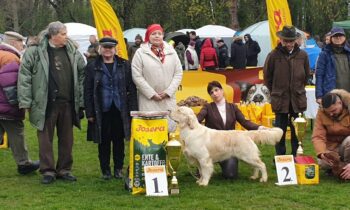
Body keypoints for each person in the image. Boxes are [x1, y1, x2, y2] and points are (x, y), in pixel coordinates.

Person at [18, 21, 86, 184]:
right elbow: (24, 78)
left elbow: (82, 74)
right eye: (63, 34)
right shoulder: (35, 51)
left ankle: (64, 170)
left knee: (67, 139)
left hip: (68, 103)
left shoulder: (73, 51)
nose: (66, 36)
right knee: (44, 139)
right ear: (53, 35)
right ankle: (48, 171)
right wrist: (26, 102)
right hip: (45, 103)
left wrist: (81, 101)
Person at [84, 37, 138, 180]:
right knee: (103, 141)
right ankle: (105, 170)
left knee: (119, 140)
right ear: (100, 49)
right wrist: (89, 112)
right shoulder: (92, 66)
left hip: (121, 109)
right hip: (101, 109)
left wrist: (133, 110)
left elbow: (132, 89)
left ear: (115, 49)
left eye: (110, 48)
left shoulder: (125, 65)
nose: (108, 50)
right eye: (105, 48)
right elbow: (87, 90)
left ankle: (118, 169)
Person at [197, 81, 267, 179]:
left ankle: (258, 169)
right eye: (211, 92)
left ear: (222, 90)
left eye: (216, 90)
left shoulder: (233, 107)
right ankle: (203, 167)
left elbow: (244, 122)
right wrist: (190, 120)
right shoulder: (207, 107)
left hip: (229, 147)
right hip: (211, 148)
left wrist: (259, 127)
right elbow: (198, 119)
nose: (214, 94)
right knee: (202, 170)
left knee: (230, 175)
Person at [263, 25, 310, 157]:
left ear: (295, 40)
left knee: (297, 131)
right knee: (279, 131)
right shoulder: (273, 55)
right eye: (286, 41)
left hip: (297, 98)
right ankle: (281, 157)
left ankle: (296, 156)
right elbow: (267, 77)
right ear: (281, 40)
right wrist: (276, 91)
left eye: (291, 41)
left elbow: (306, 76)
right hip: (280, 99)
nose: (289, 43)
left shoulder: (303, 55)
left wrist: (298, 88)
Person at [0, 31, 39, 175]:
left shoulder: (2, 55)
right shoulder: (10, 57)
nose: (22, 45)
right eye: (20, 43)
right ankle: (24, 164)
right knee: (17, 134)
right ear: (13, 42)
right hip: (6, 106)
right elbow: (10, 84)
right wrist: (18, 103)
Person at [131, 23, 183, 131]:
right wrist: (151, 94)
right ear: (148, 36)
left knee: (169, 131)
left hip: (168, 99)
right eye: (153, 33)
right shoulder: (140, 53)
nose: (157, 36)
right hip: (149, 100)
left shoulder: (171, 51)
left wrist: (168, 92)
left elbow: (178, 73)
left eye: (159, 33)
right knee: (152, 132)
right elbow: (137, 75)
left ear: (163, 35)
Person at [312, 92, 350, 179]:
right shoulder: (321, 113)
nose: (331, 114)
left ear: (340, 103)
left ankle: (345, 168)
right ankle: (341, 169)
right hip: (332, 149)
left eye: (333, 111)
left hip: (348, 146)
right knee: (322, 163)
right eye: (328, 112)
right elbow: (318, 136)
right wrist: (322, 154)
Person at [315, 27, 350, 104]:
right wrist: (319, 96)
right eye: (335, 36)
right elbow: (319, 75)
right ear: (331, 38)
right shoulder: (324, 54)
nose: (338, 38)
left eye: (340, 35)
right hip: (331, 95)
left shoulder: (349, 53)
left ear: (345, 37)